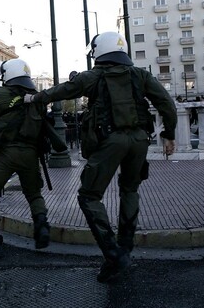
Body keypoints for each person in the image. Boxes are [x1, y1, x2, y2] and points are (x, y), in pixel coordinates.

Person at [30, 32, 177, 282]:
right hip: (140, 140)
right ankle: (125, 247)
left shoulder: (94, 76)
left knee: (89, 196)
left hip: (111, 142)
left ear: (99, 50)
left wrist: (36, 97)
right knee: (130, 190)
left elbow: (64, 90)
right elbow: (166, 103)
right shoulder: (140, 75)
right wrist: (169, 135)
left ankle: (113, 254)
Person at [0, 58, 52, 259]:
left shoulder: (3, 93)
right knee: (33, 194)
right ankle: (41, 227)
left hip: (7, 153)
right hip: (31, 154)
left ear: (9, 75)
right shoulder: (37, 98)